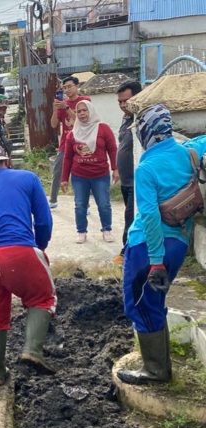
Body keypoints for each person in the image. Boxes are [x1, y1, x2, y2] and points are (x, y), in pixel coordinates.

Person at [117, 104, 201, 385]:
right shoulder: (188, 153)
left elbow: (150, 217)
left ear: (145, 132)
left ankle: (155, 371)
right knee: (155, 302)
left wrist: (154, 260)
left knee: (139, 305)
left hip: (147, 249)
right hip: (178, 243)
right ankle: (160, 366)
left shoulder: (147, 168)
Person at [0, 144, 55, 385]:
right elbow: (44, 220)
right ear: (6, 161)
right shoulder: (28, 178)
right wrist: (39, 246)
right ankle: (32, 351)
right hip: (18, 250)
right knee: (42, 298)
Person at [61, 100, 118, 244]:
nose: (81, 114)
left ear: (91, 111)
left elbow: (112, 149)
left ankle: (107, 229)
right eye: (79, 111)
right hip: (79, 176)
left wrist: (115, 169)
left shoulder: (103, 128)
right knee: (80, 205)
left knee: (104, 204)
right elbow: (67, 158)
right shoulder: (72, 134)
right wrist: (64, 179)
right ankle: (81, 232)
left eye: (84, 110)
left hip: (100, 175)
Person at [49, 76, 90, 209]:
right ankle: (53, 200)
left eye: (70, 86)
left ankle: (85, 204)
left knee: (82, 173)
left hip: (81, 142)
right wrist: (56, 109)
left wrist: (66, 108)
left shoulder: (85, 101)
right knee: (57, 171)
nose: (67, 90)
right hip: (65, 143)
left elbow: (82, 120)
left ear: (77, 86)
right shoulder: (62, 105)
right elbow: (54, 124)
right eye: (65, 88)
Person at [113, 81, 142, 265]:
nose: (123, 105)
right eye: (120, 102)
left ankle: (127, 254)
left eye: (127, 101)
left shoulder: (142, 120)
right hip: (126, 180)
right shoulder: (126, 119)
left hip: (137, 181)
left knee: (131, 217)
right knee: (130, 215)